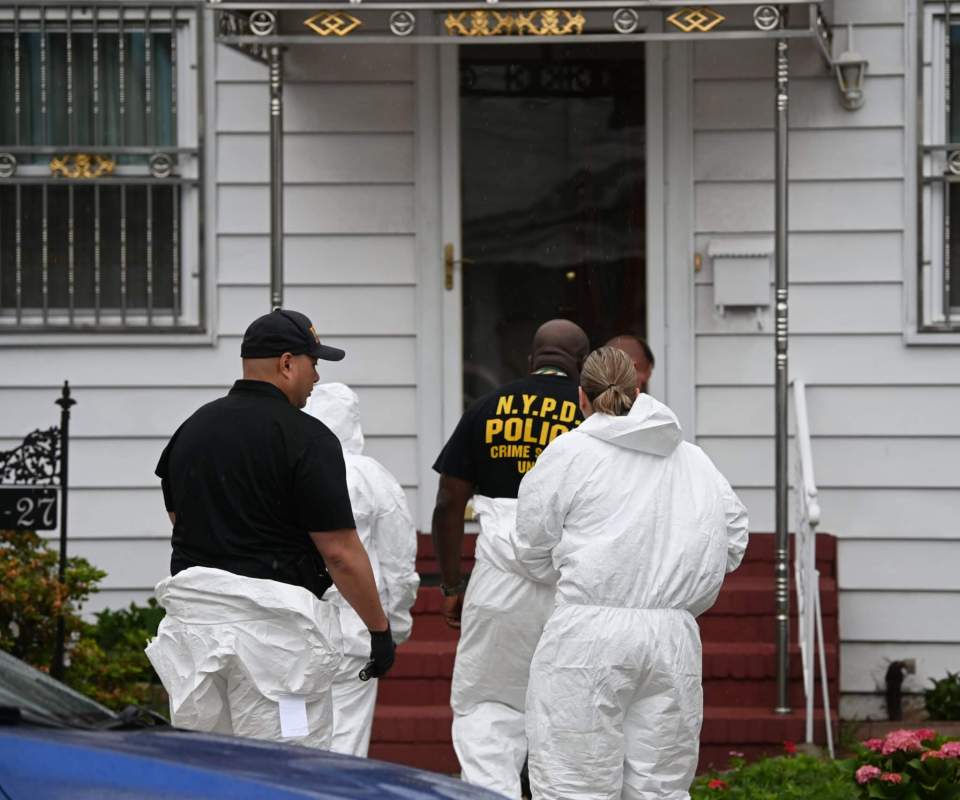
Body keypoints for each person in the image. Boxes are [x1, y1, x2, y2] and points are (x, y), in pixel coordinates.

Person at [146, 309, 396, 751]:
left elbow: (179, 520)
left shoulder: (192, 429)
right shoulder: (308, 438)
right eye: (313, 363)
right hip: (275, 642)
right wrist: (378, 630)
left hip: (195, 635)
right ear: (287, 363)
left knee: (206, 768)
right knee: (285, 770)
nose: (316, 376)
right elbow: (339, 550)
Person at [513, 347, 749, 799]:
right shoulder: (692, 459)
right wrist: (685, 582)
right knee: (660, 785)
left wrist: (562, 575)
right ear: (638, 390)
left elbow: (530, 543)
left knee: (574, 782)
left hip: (587, 632)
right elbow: (733, 536)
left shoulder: (570, 453)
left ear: (581, 397)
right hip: (672, 635)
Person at [432, 319, 590, 798]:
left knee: (488, 709)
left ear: (530, 360)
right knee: (569, 715)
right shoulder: (594, 416)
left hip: (497, 583)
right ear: (582, 366)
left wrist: (452, 585)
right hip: (574, 588)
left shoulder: (486, 408)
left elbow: (447, 501)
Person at [304, 382, 420, 758]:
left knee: (292, 742)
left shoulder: (285, 466)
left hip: (292, 629)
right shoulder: (370, 477)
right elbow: (397, 562)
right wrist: (394, 627)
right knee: (344, 746)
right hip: (354, 631)